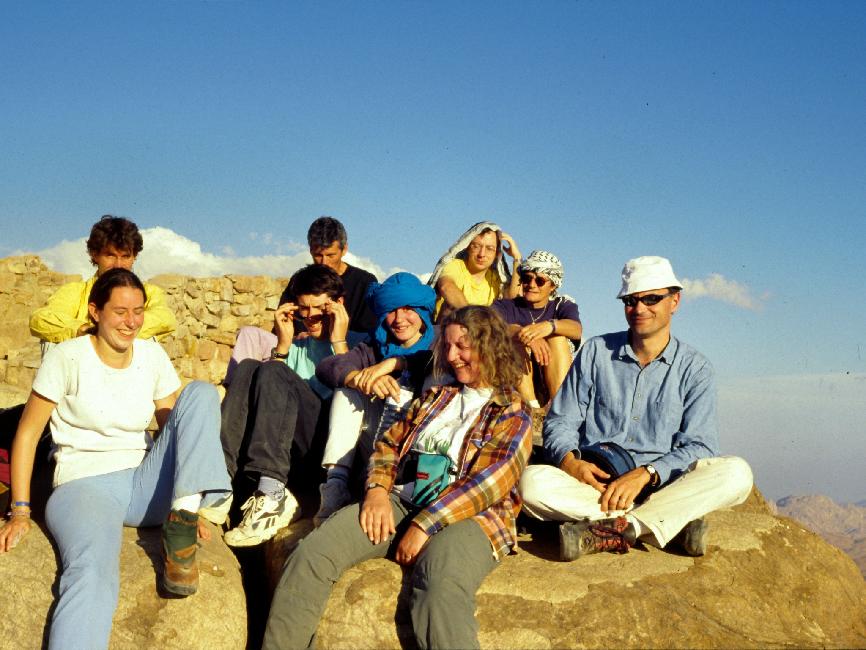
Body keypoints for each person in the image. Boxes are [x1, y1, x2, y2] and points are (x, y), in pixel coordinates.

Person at [262, 306, 532, 649]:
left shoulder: (512, 410)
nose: (452, 356)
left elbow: (490, 482)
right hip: (403, 500)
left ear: (490, 346)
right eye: (447, 346)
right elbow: (388, 444)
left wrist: (425, 525)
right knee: (312, 555)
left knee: (438, 584)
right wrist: (376, 491)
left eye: (462, 346)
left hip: (471, 516)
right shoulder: (437, 397)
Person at [0, 269, 230, 650]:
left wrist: (191, 497)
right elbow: (26, 434)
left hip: (144, 485)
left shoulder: (152, 354)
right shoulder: (67, 357)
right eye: (121, 311)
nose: (131, 322)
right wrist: (21, 511)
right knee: (92, 573)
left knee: (202, 394)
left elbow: (176, 425)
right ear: (95, 312)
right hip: (84, 486)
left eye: (138, 311)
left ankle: (182, 523)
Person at [519, 256, 753, 560]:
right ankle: (667, 524)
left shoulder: (695, 369)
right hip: (598, 488)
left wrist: (648, 473)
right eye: (631, 300)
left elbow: (701, 445)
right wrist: (569, 463)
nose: (640, 309)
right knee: (530, 485)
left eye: (652, 299)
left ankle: (622, 529)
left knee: (737, 474)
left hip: (662, 485)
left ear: (675, 301)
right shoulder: (596, 353)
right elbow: (560, 421)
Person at [217, 264, 361, 547]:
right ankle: (219, 480)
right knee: (247, 367)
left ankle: (272, 492)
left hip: (328, 456)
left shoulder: (360, 345)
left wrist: (338, 342)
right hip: (288, 451)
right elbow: (271, 398)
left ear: (338, 305)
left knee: (271, 370)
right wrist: (282, 347)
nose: (310, 318)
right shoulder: (298, 347)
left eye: (318, 308)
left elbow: (355, 400)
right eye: (303, 310)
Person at [313, 272, 437, 526]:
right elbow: (328, 367)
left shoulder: (440, 343)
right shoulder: (373, 347)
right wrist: (360, 378)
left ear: (422, 312)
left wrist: (395, 363)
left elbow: (438, 364)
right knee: (347, 389)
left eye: (407, 309)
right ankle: (336, 485)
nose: (399, 319)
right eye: (391, 311)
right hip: (374, 444)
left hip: (416, 448)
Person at [223, 216, 376, 384]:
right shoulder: (301, 280)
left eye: (330, 255)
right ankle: (234, 391)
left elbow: (368, 332)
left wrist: (330, 334)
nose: (324, 262)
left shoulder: (364, 282)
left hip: (340, 346)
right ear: (310, 250)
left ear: (344, 249)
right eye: (318, 255)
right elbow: (283, 325)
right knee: (248, 334)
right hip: (298, 346)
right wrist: (297, 334)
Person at [29, 215, 176, 351]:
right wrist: (83, 330)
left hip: (129, 373)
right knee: (52, 341)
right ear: (95, 255)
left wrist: (108, 330)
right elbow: (41, 319)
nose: (118, 265)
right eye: (110, 255)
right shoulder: (76, 292)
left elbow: (164, 318)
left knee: (146, 339)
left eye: (125, 256)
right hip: (82, 371)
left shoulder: (149, 293)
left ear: (134, 257)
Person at [492, 250, 582, 408]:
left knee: (557, 337)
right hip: (514, 381)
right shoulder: (506, 306)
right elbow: (490, 325)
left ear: (553, 285)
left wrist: (549, 327)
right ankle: (532, 409)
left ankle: (558, 408)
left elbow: (576, 329)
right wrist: (525, 334)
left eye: (540, 281)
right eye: (527, 279)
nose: (532, 285)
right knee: (516, 341)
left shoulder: (562, 305)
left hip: (551, 375)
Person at [428, 221, 522, 322]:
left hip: (482, 331)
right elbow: (446, 287)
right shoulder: (455, 266)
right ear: (468, 247)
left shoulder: (495, 277)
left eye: (489, 249)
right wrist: (474, 319)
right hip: (449, 328)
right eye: (476, 246)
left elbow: (512, 299)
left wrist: (517, 258)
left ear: (497, 254)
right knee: (450, 307)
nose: (482, 254)